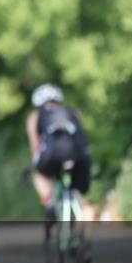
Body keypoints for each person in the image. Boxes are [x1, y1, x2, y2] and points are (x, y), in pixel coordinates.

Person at [27, 84, 95, 222]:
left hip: (51, 156)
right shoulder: (73, 112)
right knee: (83, 201)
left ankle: (49, 201)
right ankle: (87, 237)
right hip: (78, 157)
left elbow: (35, 145)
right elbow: (81, 137)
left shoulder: (35, 117)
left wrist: (35, 162)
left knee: (39, 176)